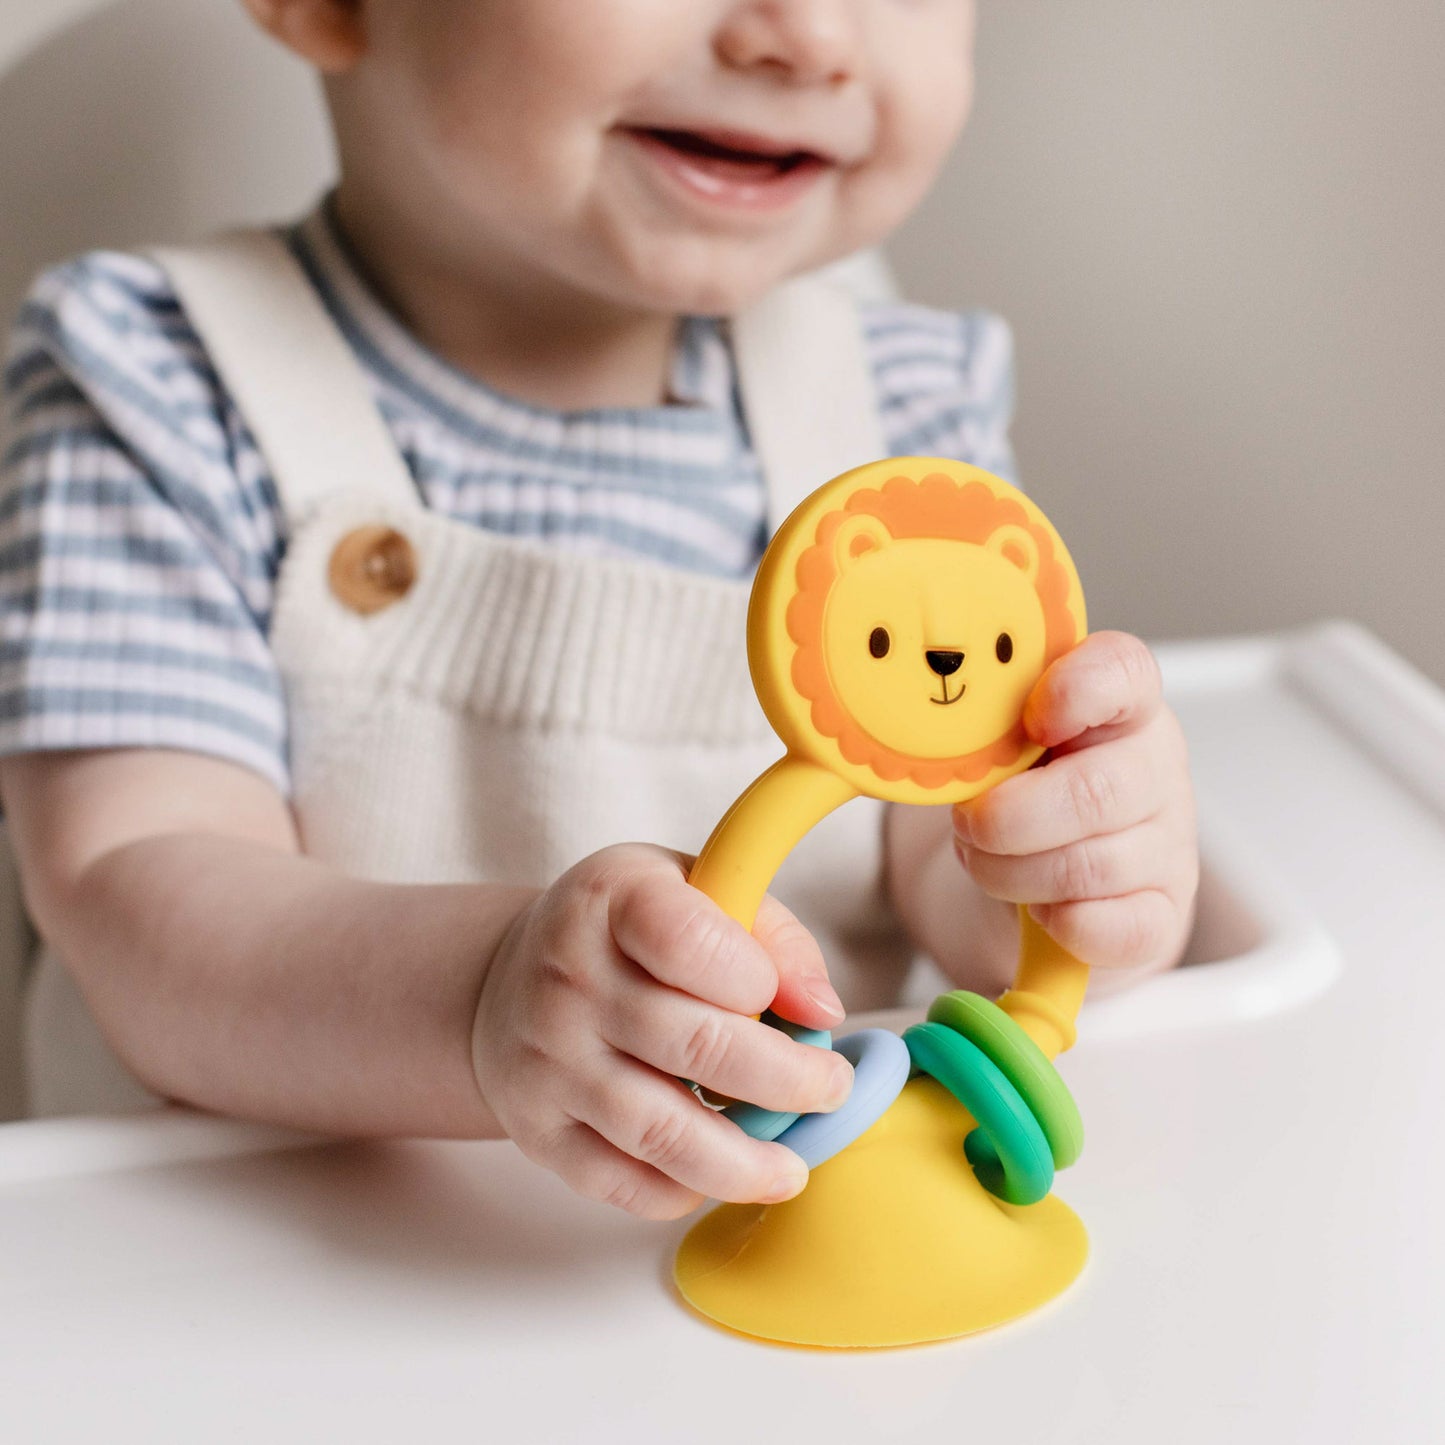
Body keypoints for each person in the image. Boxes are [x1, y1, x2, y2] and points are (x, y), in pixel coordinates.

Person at [0, 0, 1198, 1220]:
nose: (809, 38)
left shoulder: (903, 422)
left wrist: (1072, 875)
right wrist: (479, 1002)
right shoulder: (157, 382)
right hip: (249, 1285)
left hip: (751, 1271)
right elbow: (132, 899)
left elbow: (947, 880)